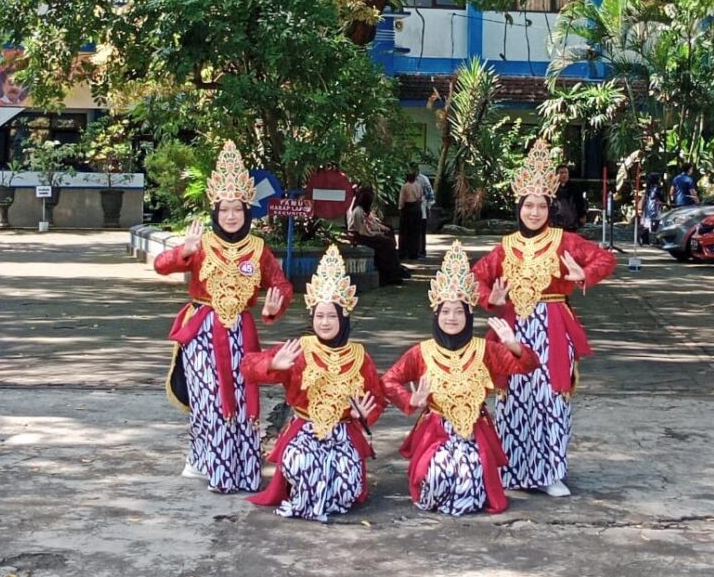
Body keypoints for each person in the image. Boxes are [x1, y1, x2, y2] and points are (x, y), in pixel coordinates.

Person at [472, 139, 616, 497]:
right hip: (513, 328)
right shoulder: (504, 247)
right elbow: (474, 278)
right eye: (528, 205)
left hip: (552, 325)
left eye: (540, 206)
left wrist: (583, 276)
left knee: (551, 397)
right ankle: (512, 472)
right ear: (519, 207)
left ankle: (550, 472)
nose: (534, 212)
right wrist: (490, 297)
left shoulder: (565, 241)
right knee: (513, 397)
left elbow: (604, 259)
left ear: (550, 208)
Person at [153, 140, 293, 493]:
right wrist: (183, 253)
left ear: (248, 210)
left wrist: (274, 307)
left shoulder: (259, 250)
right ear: (216, 211)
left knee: (243, 399)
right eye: (225, 209)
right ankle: (212, 465)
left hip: (241, 333)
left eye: (238, 209)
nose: (231, 215)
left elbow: (282, 286)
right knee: (210, 401)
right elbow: (160, 265)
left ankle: (239, 468)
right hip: (202, 330)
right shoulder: (201, 245)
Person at [382, 241, 539, 515]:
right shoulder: (422, 352)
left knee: (470, 476)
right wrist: (412, 399)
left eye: (458, 311)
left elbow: (527, 365)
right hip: (435, 432)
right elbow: (389, 381)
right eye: (445, 311)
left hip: (473, 432)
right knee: (436, 477)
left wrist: (513, 344)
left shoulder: (485, 350)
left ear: (468, 315)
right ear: (436, 315)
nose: (451, 317)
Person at [242, 245, 385, 522]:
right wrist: (272, 365)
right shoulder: (299, 349)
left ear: (344, 318)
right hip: (304, 430)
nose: (325, 322)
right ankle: (310, 497)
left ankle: (326, 496)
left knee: (347, 484)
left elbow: (376, 399)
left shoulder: (359, 356)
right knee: (302, 464)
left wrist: (364, 416)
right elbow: (247, 366)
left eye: (332, 316)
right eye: (319, 316)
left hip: (343, 433)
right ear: (312, 317)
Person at [347, 186, 409, 285]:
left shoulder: (363, 210)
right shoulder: (358, 211)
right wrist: (378, 233)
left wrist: (380, 231)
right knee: (387, 243)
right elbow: (364, 232)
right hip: (361, 237)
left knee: (388, 237)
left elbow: (370, 225)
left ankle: (395, 270)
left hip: (365, 235)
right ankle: (390, 275)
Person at [550, 165, 587, 232]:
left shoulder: (574, 187)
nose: (564, 175)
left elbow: (580, 202)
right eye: (561, 173)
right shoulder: (551, 188)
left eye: (566, 172)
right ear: (556, 175)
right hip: (556, 222)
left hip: (572, 221)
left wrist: (583, 215)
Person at [398, 172, 423, 260]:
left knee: (405, 231)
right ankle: (414, 253)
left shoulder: (404, 186)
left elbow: (402, 199)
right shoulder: (418, 185)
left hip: (407, 208)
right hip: (416, 208)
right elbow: (420, 197)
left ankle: (404, 252)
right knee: (415, 232)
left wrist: (400, 208)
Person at [638, 172, 663, 245]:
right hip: (655, 206)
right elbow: (657, 196)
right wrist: (664, 201)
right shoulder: (657, 187)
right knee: (656, 223)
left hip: (648, 205)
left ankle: (645, 238)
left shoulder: (648, 187)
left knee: (647, 222)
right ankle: (655, 240)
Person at [415, 169, 435, 259]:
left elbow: (430, 194)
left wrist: (428, 207)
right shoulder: (408, 179)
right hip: (411, 209)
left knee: (421, 232)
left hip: (422, 208)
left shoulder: (423, 179)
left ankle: (421, 251)